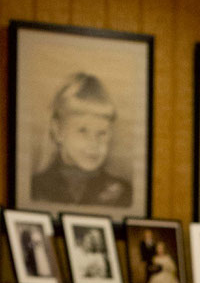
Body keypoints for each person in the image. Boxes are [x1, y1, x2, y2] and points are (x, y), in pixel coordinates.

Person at [31, 71, 132, 208]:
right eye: (83, 131)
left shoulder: (123, 194)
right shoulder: (36, 188)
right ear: (58, 130)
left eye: (102, 133)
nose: (94, 144)